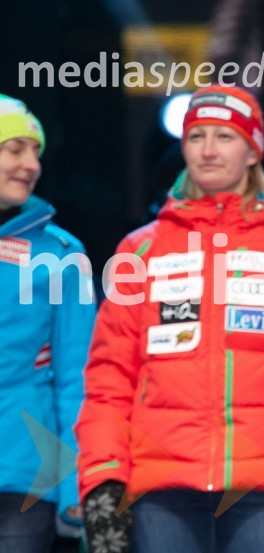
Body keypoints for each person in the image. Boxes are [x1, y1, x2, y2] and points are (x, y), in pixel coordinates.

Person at [76, 84, 264, 553]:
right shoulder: (139, 250)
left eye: (224, 136)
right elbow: (109, 379)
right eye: (196, 135)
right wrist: (103, 479)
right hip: (159, 487)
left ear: (253, 150)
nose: (207, 150)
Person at [0, 94, 96, 551]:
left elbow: (77, 379)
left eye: (35, 151)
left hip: (25, 478)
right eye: (14, 148)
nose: (29, 164)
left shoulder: (60, 254)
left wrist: (77, 486)